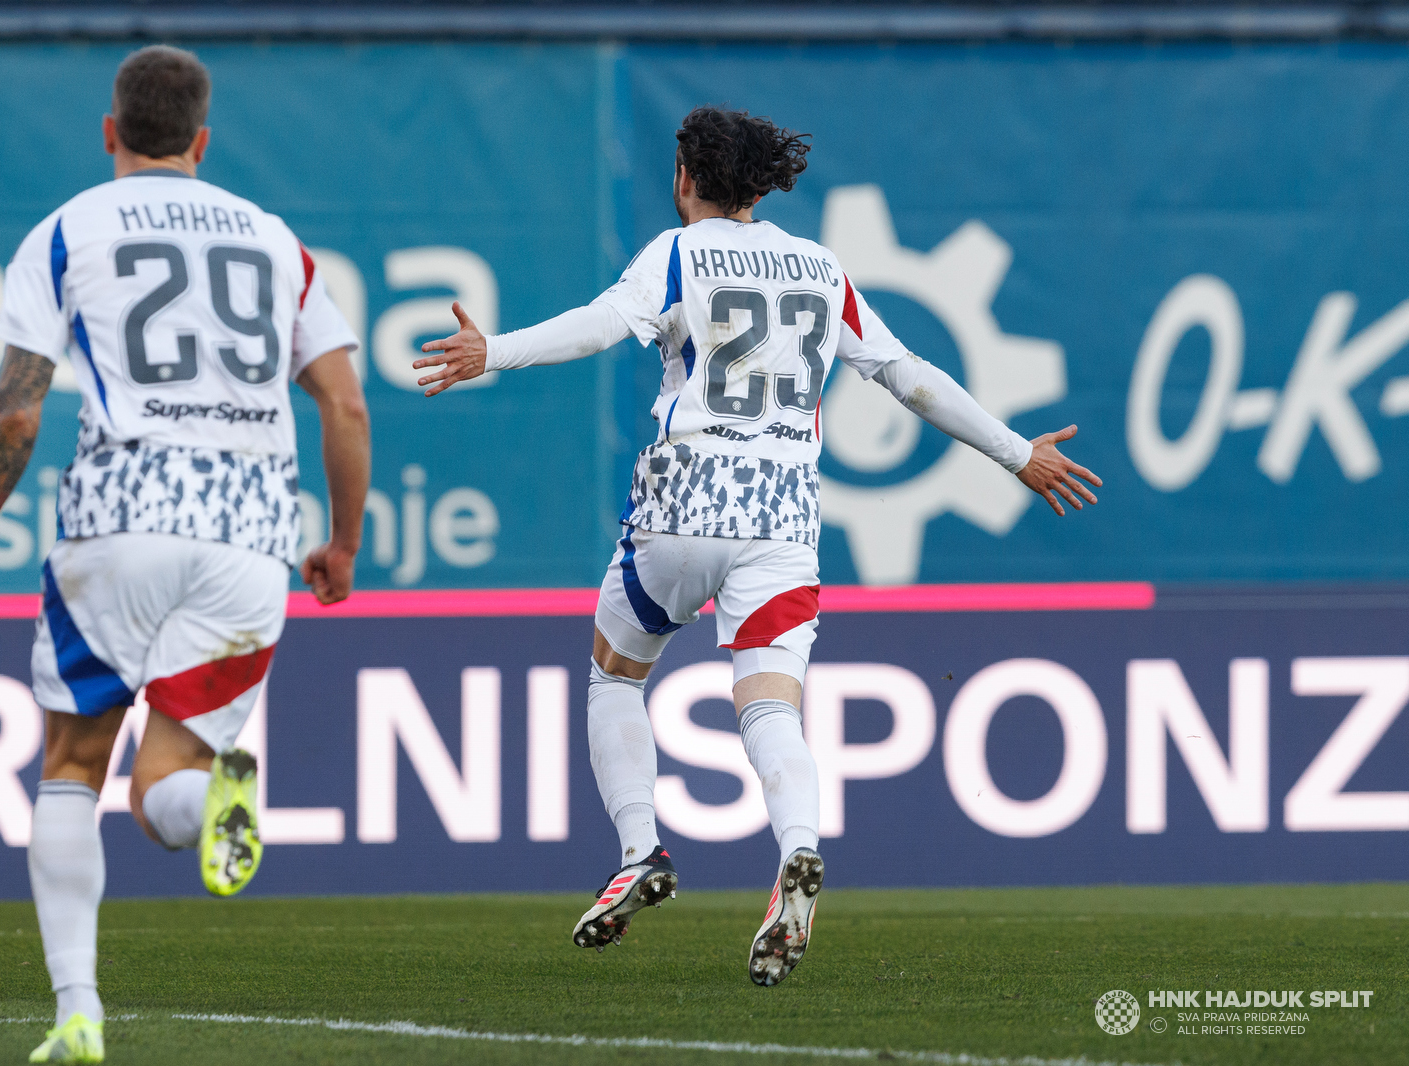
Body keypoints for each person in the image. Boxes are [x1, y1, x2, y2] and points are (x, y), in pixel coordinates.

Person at [415, 105, 1100, 988]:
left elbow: (597, 323)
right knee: (772, 708)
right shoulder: (821, 268)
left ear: (685, 179)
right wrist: (1017, 453)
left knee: (614, 674)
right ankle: (799, 851)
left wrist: (494, 351)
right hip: (782, 519)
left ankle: (638, 851)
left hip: (683, 501)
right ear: (761, 184)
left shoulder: (675, 254)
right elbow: (909, 378)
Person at [0, 46, 369, 1064]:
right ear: (203, 138)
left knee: (73, 768)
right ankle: (212, 784)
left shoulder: (67, 229)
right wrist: (343, 541)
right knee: (161, 796)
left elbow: (19, 400)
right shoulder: (274, 241)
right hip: (248, 535)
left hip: (119, 518)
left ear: (110, 133)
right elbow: (345, 401)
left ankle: (78, 1014)